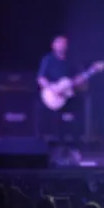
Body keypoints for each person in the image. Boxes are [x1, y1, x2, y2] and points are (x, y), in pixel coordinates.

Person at [37, 35, 84, 164]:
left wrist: (80, 80)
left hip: (69, 96)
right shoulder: (48, 60)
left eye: (64, 43)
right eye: (59, 43)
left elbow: (78, 78)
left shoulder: (72, 60)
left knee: (75, 121)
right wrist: (52, 89)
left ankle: (75, 149)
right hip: (53, 96)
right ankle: (59, 150)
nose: (62, 45)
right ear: (53, 45)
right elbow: (41, 78)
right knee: (57, 124)